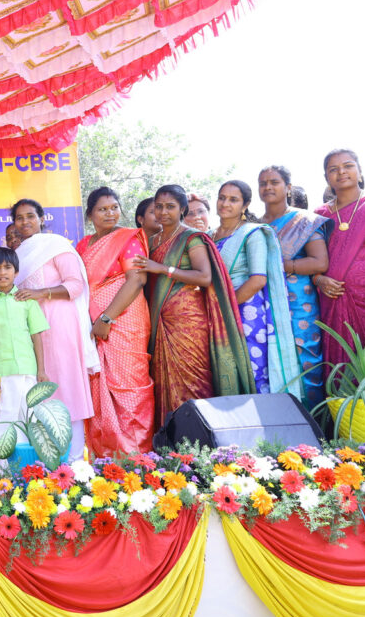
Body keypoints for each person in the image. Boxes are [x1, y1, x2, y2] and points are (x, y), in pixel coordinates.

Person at [132, 185, 255, 422]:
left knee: (193, 380)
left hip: (188, 322)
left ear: (182, 209)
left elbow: (204, 277)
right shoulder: (152, 240)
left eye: (170, 206)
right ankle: (171, 442)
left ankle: (201, 436)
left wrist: (162, 269)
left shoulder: (191, 237)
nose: (163, 211)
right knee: (163, 381)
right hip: (159, 321)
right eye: (158, 206)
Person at [10, 198, 97, 460]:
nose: (25, 222)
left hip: (60, 323)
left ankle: (73, 462)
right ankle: (45, 460)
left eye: (30, 216)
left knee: (66, 386)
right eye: (19, 218)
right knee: (40, 385)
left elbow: (75, 286)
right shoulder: (18, 253)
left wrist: (40, 293)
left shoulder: (56, 245)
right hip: (31, 329)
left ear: (41, 218)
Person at [76, 188, 155, 456]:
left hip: (124, 321)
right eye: (102, 209)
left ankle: (136, 455)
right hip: (93, 324)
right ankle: (106, 457)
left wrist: (107, 317)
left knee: (128, 385)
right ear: (90, 215)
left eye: (114, 207)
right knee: (99, 386)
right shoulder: (83, 245)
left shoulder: (128, 239)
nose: (110, 213)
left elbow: (137, 280)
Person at [213, 180, 302, 398]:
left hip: (245, 310)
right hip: (216, 310)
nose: (225, 203)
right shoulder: (209, 235)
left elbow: (258, 279)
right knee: (225, 369)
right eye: (222, 197)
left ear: (245, 205)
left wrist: (226, 309)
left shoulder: (252, 233)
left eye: (233, 200)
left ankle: (265, 426)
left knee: (254, 368)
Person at [313, 149, 365, 368]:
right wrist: (319, 280)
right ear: (326, 178)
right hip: (335, 301)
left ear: (359, 172)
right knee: (344, 367)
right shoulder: (319, 215)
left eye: (348, 166)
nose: (341, 172)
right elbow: (311, 258)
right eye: (333, 169)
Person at [258, 166, 331, 408]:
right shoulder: (254, 225)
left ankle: (314, 428)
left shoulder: (304, 221)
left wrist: (278, 265)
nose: (268, 187)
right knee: (269, 361)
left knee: (305, 359)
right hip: (263, 303)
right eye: (263, 183)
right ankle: (278, 426)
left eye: (274, 182)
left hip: (299, 303)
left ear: (288, 187)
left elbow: (319, 262)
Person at [0, 248, 49, 461]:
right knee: (3, 423)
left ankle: (33, 473)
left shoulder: (27, 301)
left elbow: (37, 337)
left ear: (16, 272)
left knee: (32, 422)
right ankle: (5, 477)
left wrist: (41, 371)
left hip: (29, 372)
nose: (2, 273)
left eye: (7, 268)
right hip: (1, 375)